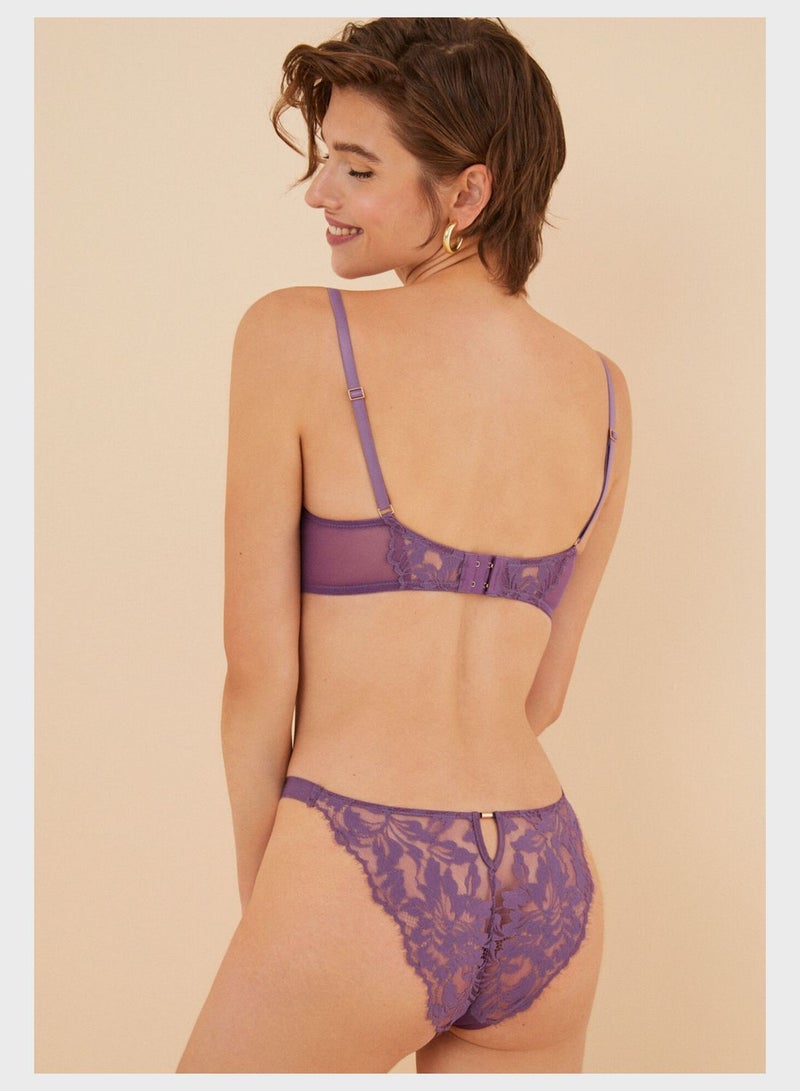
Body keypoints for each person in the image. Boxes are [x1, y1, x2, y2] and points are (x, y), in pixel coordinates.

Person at [177, 16, 631, 1075]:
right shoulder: (606, 392)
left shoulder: (297, 334)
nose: (319, 193)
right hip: (546, 877)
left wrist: (277, 900)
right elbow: (544, 691)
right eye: (324, 160)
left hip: (356, 849)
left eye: (358, 166)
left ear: (466, 194)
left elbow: (257, 676)